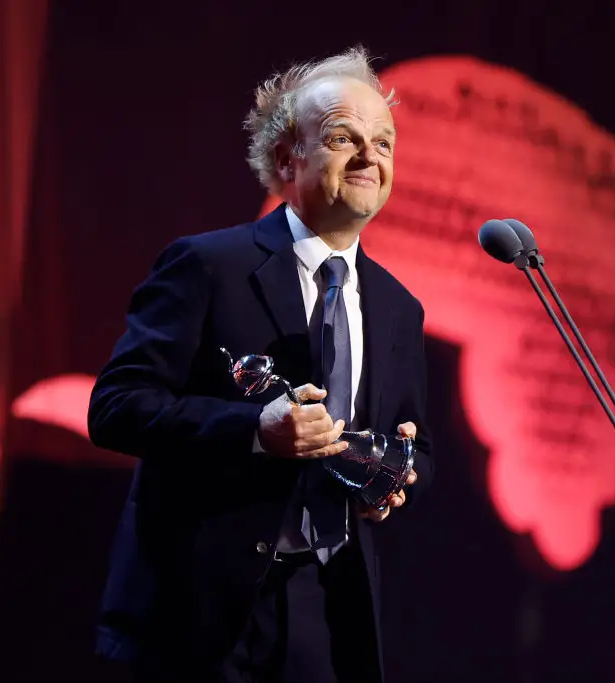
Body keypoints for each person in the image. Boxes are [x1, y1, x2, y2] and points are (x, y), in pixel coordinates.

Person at [88, 45, 433, 683]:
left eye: (383, 143)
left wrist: (393, 474)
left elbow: (418, 444)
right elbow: (116, 408)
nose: (369, 156)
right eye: (342, 137)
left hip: (328, 613)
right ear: (286, 158)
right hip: (197, 618)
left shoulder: (398, 309)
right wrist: (253, 433)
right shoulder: (205, 267)